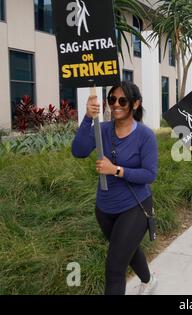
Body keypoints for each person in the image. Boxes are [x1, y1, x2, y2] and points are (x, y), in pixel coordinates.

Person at [72, 81, 158, 295]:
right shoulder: (102, 129)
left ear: (135, 104)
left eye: (122, 100)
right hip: (105, 208)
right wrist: (87, 118)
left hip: (135, 206)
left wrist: (116, 170)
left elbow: (149, 174)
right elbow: (79, 150)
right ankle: (149, 280)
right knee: (127, 249)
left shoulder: (145, 136)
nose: (115, 105)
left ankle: (147, 280)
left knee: (115, 267)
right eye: (112, 99)